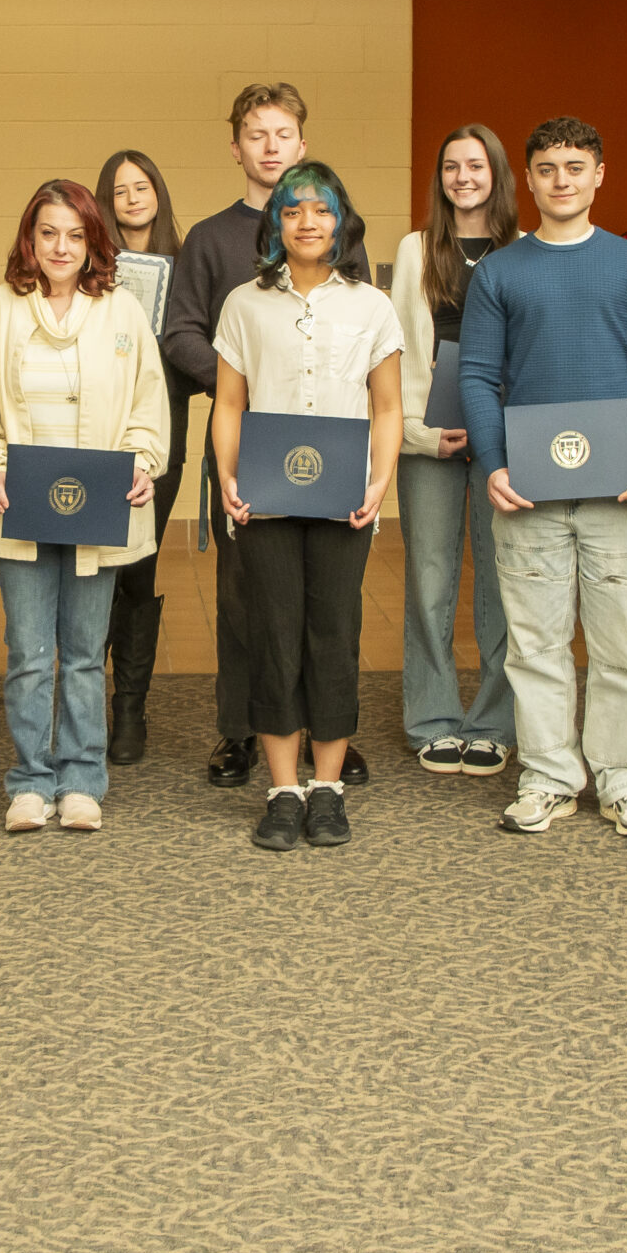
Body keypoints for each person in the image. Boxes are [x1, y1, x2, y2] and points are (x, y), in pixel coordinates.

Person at [462, 118, 627, 838]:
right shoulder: (500, 271)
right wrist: (492, 462)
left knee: (626, 645)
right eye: (548, 167)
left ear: (600, 175)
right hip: (528, 489)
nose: (562, 179)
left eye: (576, 166)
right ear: (528, 178)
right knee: (536, 645)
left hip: (622, 485)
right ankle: (549, 775)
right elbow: (477, 373)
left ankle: (624, 781)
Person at [160, 83, 373, 790]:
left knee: (330, 599)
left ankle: (325, 730)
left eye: (283, 133)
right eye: (257, 133)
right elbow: (180, 331)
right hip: (249, 446)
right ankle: (240, 729)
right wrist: (237, 385)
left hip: (333, 449)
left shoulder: (342, 234)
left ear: (302, 143)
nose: (271, 145)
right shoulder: (209, 238)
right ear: (237, 147)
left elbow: (364, 341)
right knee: (249, 594)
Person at [0, 180, 171, 833]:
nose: (61, 246)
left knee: (81, 649)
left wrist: (140, 457)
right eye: (48, 232)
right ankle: (29, 779)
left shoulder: (122, 312)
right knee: (28, 651)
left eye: (75, 233)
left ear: (93, 241)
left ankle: (80, 778)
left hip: (98, 507)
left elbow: (147, 403)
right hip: (18, 506)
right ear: (30, 238)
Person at [211, 161, 403, 851]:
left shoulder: (371, 306)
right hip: (264, 497)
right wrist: (228, 477)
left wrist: (380, 484)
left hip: (344, 500)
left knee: (332, 634)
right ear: (276, 222)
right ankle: (283, 789)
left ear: (341, 219)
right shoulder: (245, 303)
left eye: (321, 210)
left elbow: (387, 406)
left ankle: (328, 789)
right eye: (293, 211)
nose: (308, 222)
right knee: (274, 633)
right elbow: (229, 401)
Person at [390, 125, 520, 777]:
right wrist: (417, 431)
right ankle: (435, 717)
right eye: (451, 166)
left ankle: (494, 721)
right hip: (430, 437)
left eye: (475, 164)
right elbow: (398, 351)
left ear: (496, 171)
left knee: (502, 584)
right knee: (429, 580)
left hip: (503, 441)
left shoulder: (525, 249)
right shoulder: (415, 250)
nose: (463, 176)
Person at [95, 147, 187, 763]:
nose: (132, 197)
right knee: (96, 566)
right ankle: (85, 699)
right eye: (120, 189)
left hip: (161, 431)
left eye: (142, 185)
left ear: (158, 192)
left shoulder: (187, 264)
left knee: (139, 566)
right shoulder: (89, 263)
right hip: (95, 435)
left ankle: (130, 707)